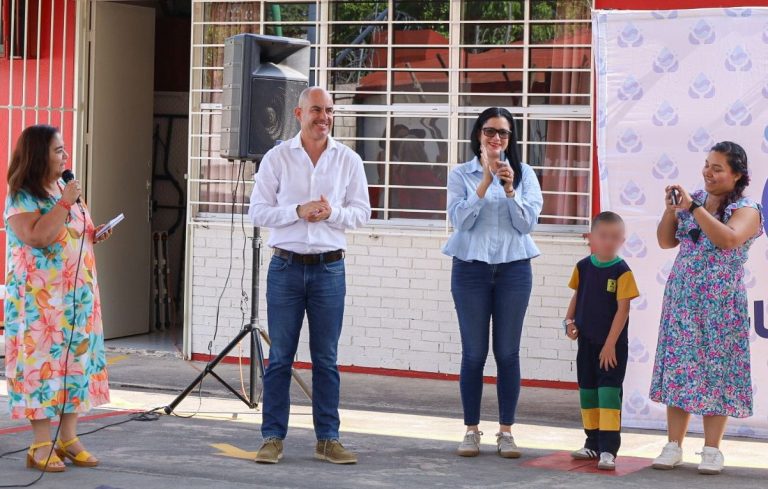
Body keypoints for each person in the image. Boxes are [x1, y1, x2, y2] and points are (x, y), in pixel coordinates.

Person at [248, 87, 371, 465]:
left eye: (329, 110)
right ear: (299, 113)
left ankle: (328, 439)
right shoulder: (277, 158)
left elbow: (362, 213)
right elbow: (258, 212)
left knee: (326, 359)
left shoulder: (348, 160)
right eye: (316, 109)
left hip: (329, 269)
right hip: (285, 267)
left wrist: (331, 213)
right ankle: (272, 437)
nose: (324, 117)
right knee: (281, 357)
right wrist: (297, 210)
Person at [650, 141, 763, 475]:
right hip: (683, 300)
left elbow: (727, 239)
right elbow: (665, 241)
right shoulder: (694, 201)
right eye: (706, 165)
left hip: (721, 305)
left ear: (737, 174)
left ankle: (712, 450)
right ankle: (674, 445)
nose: (708, 173)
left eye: (717, 168)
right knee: (681, 370)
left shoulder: (748, 208)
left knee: (718, 373)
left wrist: (695, 207)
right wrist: (672, 209)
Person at [4, 125, 112, 472]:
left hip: (77, 299)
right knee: (42, 370)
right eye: (58, 151)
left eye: (65, 150)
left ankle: (68, 438)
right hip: (41, 305)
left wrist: (96, 234)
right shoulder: (23, 196)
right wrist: (65, 202)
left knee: (74, 367)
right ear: (38, 156)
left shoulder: (66, 191)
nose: (66, 157)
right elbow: (38, 236)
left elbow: (78, 232)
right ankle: (39, 444)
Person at [442, 107, 543, 458]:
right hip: (470, 269)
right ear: (478, 135)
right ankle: (471, 430)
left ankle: (506, 431)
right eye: (489, 131)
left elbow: (527, 224)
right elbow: (460, 221)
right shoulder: (460, 175)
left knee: (507, 353)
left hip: (514, 269)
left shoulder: (526, 173)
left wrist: (510, 188)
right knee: (473, 353)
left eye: (502, 132)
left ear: (511, 138)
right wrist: (484, 181)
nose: (496, 138)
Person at [564, 211, 640, 471]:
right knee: (588, 392)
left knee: (608, 395)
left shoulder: (622, 271)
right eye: (603, 236)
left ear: (622, 240)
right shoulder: (583, 267)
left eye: (615, 237)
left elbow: (623, 310)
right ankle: (592, 442)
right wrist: (569, 321)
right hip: (586, 342)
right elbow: (576, 296)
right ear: (591, 238)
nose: (609, 241)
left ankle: (608, 449)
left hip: (611, 346)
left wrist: (610, 345)